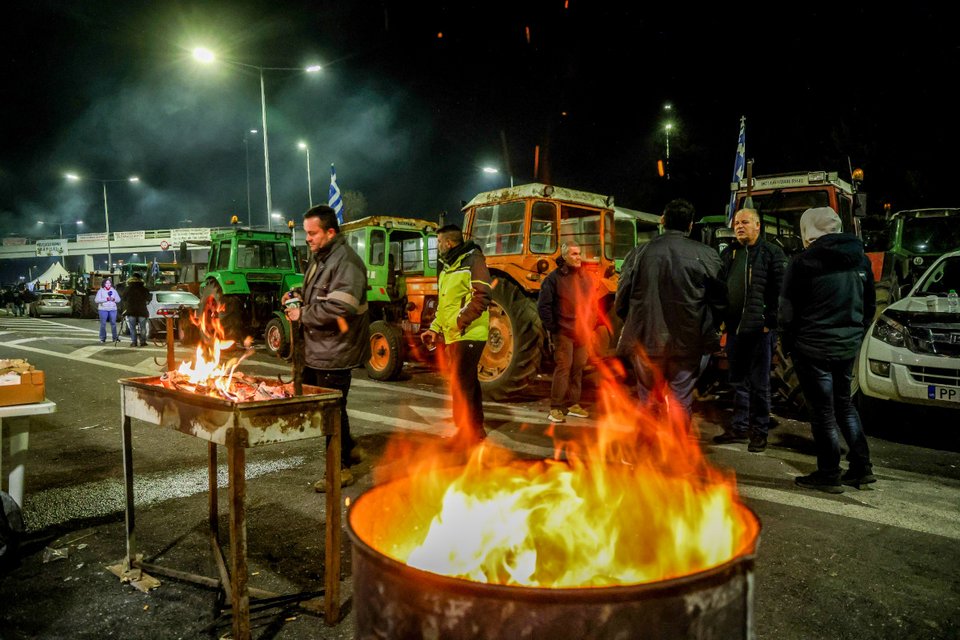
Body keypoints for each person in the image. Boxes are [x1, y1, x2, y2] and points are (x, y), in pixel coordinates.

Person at [780, 207, 876, 494]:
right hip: (846, 345)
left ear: (808, 231)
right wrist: (854, 334)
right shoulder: (861, 258)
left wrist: (789, 343)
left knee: (822, 411)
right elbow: (869, 305)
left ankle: (829, 472)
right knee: (844, 405)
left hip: (812, 347)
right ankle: (862, 467)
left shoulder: (802, 263)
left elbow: (786, 312)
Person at [283, 205, 369, 491]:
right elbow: (320, 294)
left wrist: (302, 314)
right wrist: (297, 295)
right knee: (328, 408)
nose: (307, 238)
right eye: (305, 233)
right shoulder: (323, 257)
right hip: (320, 350)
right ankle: (349, 449)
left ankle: (339, 470)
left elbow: (341, 306)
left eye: (312, 233)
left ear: (330, 232)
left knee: (330, 411)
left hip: (335, 351)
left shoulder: (345, 261)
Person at [615, 198, 726, 417]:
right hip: (689, 342)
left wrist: (634, 322)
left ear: (663, 221)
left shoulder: (639, 253)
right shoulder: (707, 255)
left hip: (646, 341)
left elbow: (622, 299)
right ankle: (677, 450)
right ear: (691, 224)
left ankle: (648, 449)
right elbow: (720, 302)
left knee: (647, 399)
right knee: (680, 401)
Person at [713, 208, 786, 453]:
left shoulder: (771, 253)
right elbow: (721, 288)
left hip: (759, 331)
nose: (739, 226)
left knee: (759, 384)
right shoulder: (730, 254)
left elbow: (780, 291)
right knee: (737, 381)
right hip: (735, 330)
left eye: (745, 222)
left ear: (757, 225)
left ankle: (759, 433)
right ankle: (739, 427)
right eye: (736, 223)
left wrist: (770, 321)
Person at [420, 224, 492, 446]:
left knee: (461, 383)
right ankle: (476, 428)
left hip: (470, 332)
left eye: (439, 242)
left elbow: (483, 294)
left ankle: (465, 432)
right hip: (455, 333)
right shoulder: (448, 267)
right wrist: (434, 328)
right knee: (467, 381)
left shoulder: (473, 260)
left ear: (449, 243)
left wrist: (460, 321)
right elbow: (445, 305)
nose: (438, 246)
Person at [537, 240, 596, 423]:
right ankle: (556, 408)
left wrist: (590, 324)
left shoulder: (585, 277)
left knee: (578, 368)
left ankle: (572, 404)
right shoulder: (553, 279)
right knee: (564, 368)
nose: (578, 257)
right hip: (563, 332)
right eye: (574, 254)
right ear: (564, 256)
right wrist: (554, 327)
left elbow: (593, 304)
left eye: (579, 253)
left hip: (582, 332)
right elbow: (543, 306)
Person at [123, 272, 151, 347]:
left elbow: (124, 298)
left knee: (132, 328)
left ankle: (134, 342)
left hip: (131, 310)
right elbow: (149, 298)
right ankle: (143, 342)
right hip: (142, 310)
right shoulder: (144, 289)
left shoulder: (127, 288)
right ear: (140, 279)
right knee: (143, 328)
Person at [95, 278, 121, 343]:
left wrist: (113, 299)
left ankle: (115, 338)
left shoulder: (114, 291)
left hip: (113, 309)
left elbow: (118, 300)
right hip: (103, 309)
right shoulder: (100, 291)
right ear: (104, 284)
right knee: (103, 324)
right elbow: (97, 300)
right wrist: (106, 299)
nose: (108, 284)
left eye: (109, 283)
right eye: (106, 283)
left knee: (113, 324)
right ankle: (102, 338)